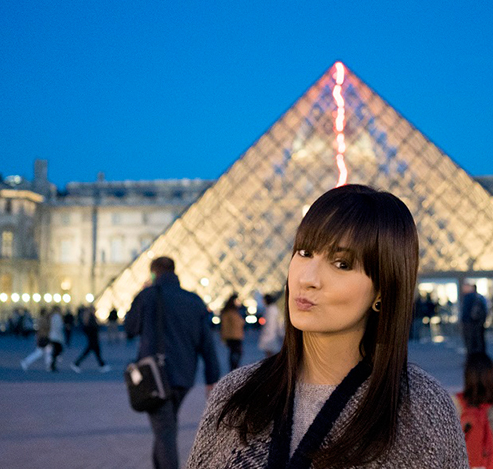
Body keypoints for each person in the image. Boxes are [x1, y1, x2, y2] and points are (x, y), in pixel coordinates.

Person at [186, 184, 468, 469]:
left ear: (382, 290)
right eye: (305, 252)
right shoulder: (234, 395)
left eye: (342, 264)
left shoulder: (422, 410)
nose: (307, 278)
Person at [125, 255, 221, 469]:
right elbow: (207, 344)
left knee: (165, 431)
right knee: (165, 428)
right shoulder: (194, 299)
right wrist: (212, 378)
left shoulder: (147, 295)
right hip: (185, 377)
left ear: (153, 272)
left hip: (155, 376)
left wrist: (138, 296)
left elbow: (130, 329)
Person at [71, 305, 110, 373]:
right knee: (91, 352)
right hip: (93, 337)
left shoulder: (87, 317)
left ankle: (102, 365)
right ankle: (76, 363)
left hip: (92, 337)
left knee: (96, 352)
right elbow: (92, 327)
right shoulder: (91, 317)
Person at [219, 294, 245, 371]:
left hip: (236, 335)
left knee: (235, 353)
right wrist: (223, 337)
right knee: (235, 353)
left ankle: (234, 368)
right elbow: (224, 326)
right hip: (232, 336)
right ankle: (234, 369)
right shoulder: (229, 312)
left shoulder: (234, 311)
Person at [461, 281, 488, 354]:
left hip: (469, 322)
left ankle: (473, 358)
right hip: (476, 322)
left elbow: (466, 311)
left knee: (470, 341)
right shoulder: (479, 297)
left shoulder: (469, 297)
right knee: (478, 340)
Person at [257, 292, 283, 357]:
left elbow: (270, 323)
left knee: (269, 351)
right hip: (271, 333)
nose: (262, 301)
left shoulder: (271, 309)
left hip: (270, 333)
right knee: (270, 350)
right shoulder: (271, 308)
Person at [47, 305, 65, 371]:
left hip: (53, 335)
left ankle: (52, 364)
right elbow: (59, 327)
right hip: (56, 336)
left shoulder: (53, 316)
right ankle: (52, 365)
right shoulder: (57, 317)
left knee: (56, 350)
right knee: (57, 350)